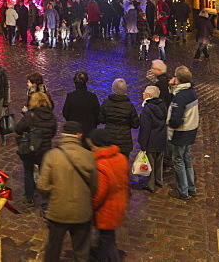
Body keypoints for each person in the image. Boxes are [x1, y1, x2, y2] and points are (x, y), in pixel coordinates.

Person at [38, 121, 98, 262]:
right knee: (81, 251)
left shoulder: (52, 155)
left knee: (53, 249)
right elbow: (94, 187)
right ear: (79, 135)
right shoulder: (89, 156)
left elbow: (42, 186)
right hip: (81, 212)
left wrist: (53, 194)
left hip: (58, 211)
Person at [87, 128, 129, 262]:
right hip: (118, 205)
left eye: (92, 145)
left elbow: (99, 194)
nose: (91, 148)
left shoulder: (101, 165)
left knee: (108, 241)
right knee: (106, 237)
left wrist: (89, 207)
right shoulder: (121, 157)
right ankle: (100, 254)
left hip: (106, 211)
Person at [14, 91, 57, 207]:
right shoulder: (51, 116)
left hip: (31, 148)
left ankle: (29, 196)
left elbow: (17, 129)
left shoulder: (30, 116)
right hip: (45, 149)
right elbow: (53, 132)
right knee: (44, 174)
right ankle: (45, 202)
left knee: (28, 171)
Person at [167, 66, 199, 200]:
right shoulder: (191, 92)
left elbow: (176, 119)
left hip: (181, 133)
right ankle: (191, 187)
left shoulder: (180, 97)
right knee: (187, 159)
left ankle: (182, 190)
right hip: (191, 131)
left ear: (178, 79)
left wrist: (169, 125)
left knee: (178, 161)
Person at [137, 85, 167, 193]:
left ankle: (150, 185)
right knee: (159, 162)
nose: (142, 94)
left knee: (150, 163)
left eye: (144, 93)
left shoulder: (147, 109)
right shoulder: (163, 105)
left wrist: (143, 143)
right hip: (161, 139)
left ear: (148, 96)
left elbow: (145, 128)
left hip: (151, 140)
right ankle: (159, 181)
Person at [99, 78, 139, 157]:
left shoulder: (107, 103)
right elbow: (135, 124)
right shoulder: (129, 105)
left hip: (109, 139)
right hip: (124, 141)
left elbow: (101, 119)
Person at [62, 71, 101, 136]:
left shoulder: (70, 96)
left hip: (74, 132)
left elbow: (65, 113)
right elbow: (98, 115)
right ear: (86, 82)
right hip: (89, 132)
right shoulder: (92, 97)